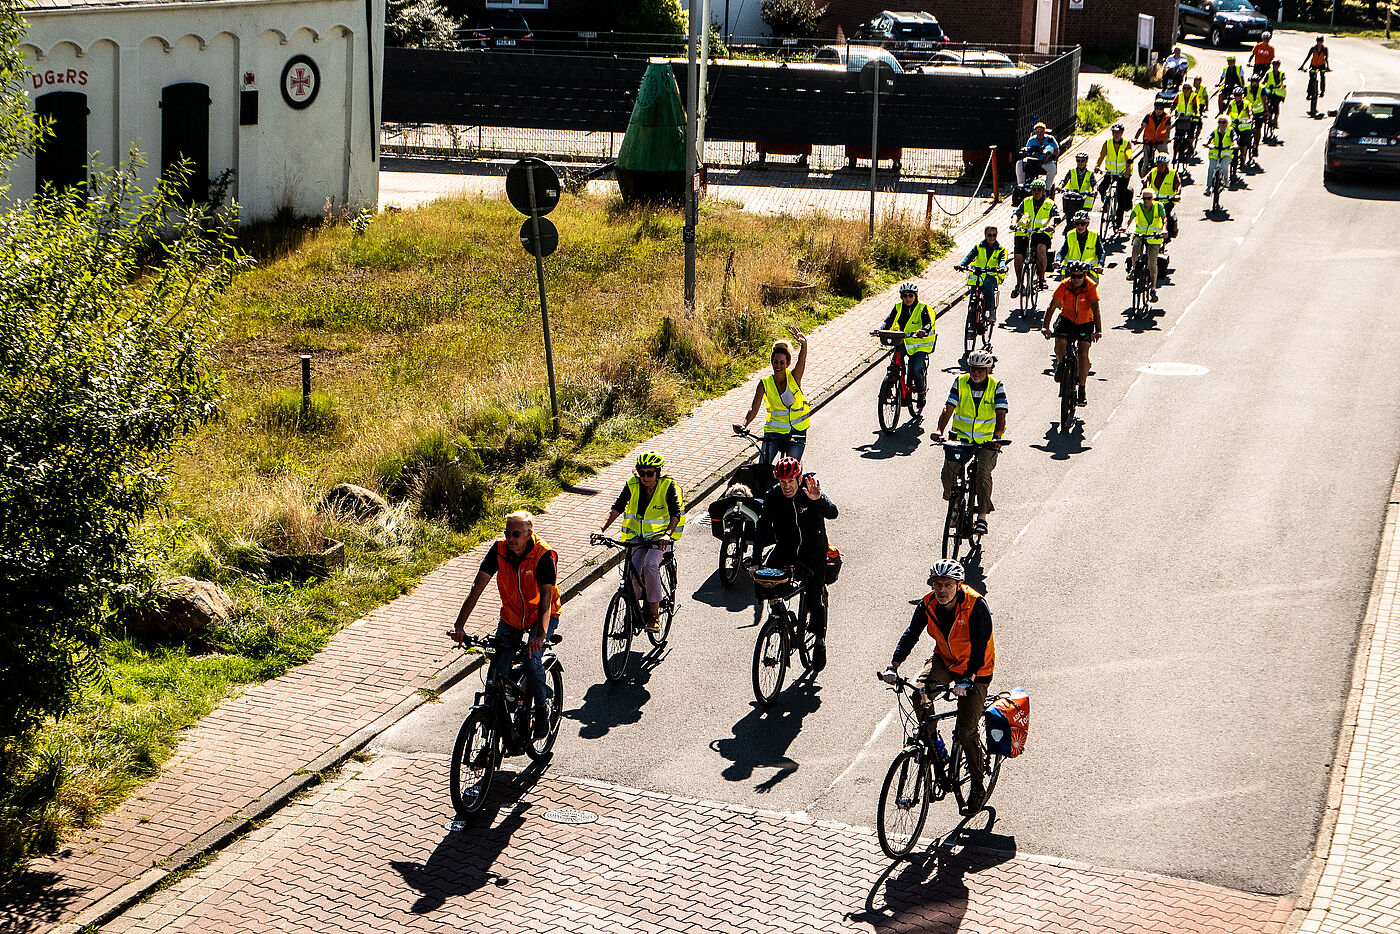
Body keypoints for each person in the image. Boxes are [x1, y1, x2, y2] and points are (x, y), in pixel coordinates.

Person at [882, 558, 997, 815]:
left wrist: (967, 679)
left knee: (966, 731)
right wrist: (894, 665)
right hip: (945, 659)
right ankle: (935, 745)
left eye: (947, 584)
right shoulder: (928, 604)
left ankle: (978, 786)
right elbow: (911, 633)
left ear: (958, 585)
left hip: (976, 670)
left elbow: (980, 646)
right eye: (937, 584)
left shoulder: (976, 605)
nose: (941, 590)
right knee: (919, 692)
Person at [451, 511, 560, 740]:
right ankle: (492, 723)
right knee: (497, 669)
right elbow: (476, 589)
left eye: (516, 534)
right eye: (507, 533)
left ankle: (541, 711)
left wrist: (539, 635)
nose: (510, 538)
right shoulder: (499, 550)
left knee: (531, 660)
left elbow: (546, 600)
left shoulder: (542, 555)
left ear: (529, 534)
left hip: (541, 615)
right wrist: (459, 625)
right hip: (511, 617)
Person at [753, 455, 838, 671]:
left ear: (799, 479)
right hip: (786, 550)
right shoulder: (773, 496)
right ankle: (779, 616)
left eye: (791, 481)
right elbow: (762, 528)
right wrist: (755, 562)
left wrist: (818, 499)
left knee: (814, 598)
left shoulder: (809, 490)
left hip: (813, 553)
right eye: (782, 483)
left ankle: (819, 641)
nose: (787, 487)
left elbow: (833, 513)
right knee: (763, 583)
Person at [597, 451, 685, 633]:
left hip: (660, 537)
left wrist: (667, 534)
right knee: (633, 571)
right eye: (642, 472)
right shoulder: (632, 484)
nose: (645, 477)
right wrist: (601, 530)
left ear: (658, 472)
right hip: (637, 536)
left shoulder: (668, 486)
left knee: (650, 565)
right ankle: (635, 611)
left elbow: (676, 513)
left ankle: (654, 616)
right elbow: (617, 507)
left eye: (650, 473)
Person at [931, 349, 1006, 534]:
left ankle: (982, 516)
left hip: (986, 442)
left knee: (982, 474)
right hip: (960, 438)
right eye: (973, 368)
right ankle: (954, 506)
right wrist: (939, 429)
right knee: (948, 472)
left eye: (981, 369)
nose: (976, 373)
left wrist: (997, 437)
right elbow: (949, 407)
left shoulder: (997, 386)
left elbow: (1001, 413)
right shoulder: (960, 382)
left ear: (988, 370)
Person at [736, 328, 810, 465]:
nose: (778, 366)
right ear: (771, 362)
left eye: (782, 362)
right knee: (762, 467)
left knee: (790, 469)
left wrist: (804, 344)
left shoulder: (794, 378)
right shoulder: (764, 383)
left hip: (796, 432)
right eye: (775, 362)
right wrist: (744, 425)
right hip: (773, 432)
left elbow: (801, 362)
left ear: (788, 364)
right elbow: (754, 408)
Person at [1042, 261, 1101, 405]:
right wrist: (1045, 327)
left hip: (1085, 322)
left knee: (1083, 350)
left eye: (1079, 276)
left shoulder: (1090, 286)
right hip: (1067, 319)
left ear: (1084, 275)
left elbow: (1096, 309)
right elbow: (1051, 306)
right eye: (1073, 276)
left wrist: (1098, 330)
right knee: (1060, 342)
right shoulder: (1064, 285)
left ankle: (1082, 388)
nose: (1076, 279)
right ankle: (1061, 364)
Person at [880, 281, 936, 410]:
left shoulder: (923, 308)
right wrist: (881, 330)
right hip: (904, 342)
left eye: (911, 295)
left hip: (921, 345)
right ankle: (888, 389)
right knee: (894, 365)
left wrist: (924, 331)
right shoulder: (898, 307)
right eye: (904, 296)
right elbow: (888, 320)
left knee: (914, 369)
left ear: (916, 295)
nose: (908, 298)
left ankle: (921, 393)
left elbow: (929, 322)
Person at [1011, 178, 1058, 298]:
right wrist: (1014, 223)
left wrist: (1050, 225)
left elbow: (1054, 217)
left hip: (1041, 233)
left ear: (1043, 191)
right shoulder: (1026, 202)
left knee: (1041, 248)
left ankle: (1042, 279)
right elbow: (1016, 214)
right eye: (1034, 190)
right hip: (1025, 233)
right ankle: (1019, 284)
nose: (1036, 192)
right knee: (1018, 256)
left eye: (1039, 190)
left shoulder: (1049, 204)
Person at [956, 226, 1009, 320]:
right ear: (985, 235)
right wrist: (961, 265)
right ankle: (972, 316)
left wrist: (1001, 267)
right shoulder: (978, 247)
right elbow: (969, 257)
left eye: (994, 235)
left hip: (993, 275)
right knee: (973, 295)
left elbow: (1002, 261)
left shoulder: (1001, 250)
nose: (992, 237)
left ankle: (991, 311)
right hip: (978, 275)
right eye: (989, 235)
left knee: (988, 285)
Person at [1126, 188, 1165, 303]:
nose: (1146, 200)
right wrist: (1125, 226)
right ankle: (1133, 269)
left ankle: (1153, 288)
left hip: (1154, 239)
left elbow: (1164, 220)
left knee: (1152, 265)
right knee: (1135, 247)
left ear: (1153, 199)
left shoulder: (1159, 206)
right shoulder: (1139, 206)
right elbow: (1130, 218)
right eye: (1144, 198)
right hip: (1141, 235)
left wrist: (1164, 230)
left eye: (1149, 198)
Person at [1094, 124, 1133, 234]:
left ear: (1122, 133)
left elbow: (1128, 155)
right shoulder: (1108, 143)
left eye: (1118, 132)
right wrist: (1097, 166)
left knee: (1120, 197)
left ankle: (1118, 223)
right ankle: (1106, 204)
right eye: (1114, 132)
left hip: (1123, 173)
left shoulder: (1126, 144)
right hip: (1110, 173)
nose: (1116, 134)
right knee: (1101, 188)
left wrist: (1128, 170)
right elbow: (1102, 155)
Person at [1055, 210, 1103, 281]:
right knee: (1065, 289)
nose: (1080, 226)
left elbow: (1101, 253)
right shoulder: (1070, 235)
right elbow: (1062, 251)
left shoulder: (1094, 236)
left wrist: (1100, 265)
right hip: (1071, 272)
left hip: (1089, 272)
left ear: (1087, 224)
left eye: (1083, 224)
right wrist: (1058, 261)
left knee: (1091, 288)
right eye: (1077, 224)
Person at [1144, 153, 1180, 243]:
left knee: (1165, 213)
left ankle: (1167, 234)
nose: (1159, 166)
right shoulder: (1153, 171)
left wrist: (1177, 194)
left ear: (1166, 164)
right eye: (1158, 164)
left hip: (1168, 200)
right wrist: (1144, 179)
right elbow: (1147, 177)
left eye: (1162, 164)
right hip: (1154, 200)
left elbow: (1178, 185)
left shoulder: (1172, 173)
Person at [1016, 121, 1061, 193]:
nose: (1039, 134)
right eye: (1037, 132)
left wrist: (1049, 155)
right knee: (1019, 163)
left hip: (1045, 162)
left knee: (1052, 167)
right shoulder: (1031, 140)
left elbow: (1056, 150)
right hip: (1033, 162)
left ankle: (1048, 189)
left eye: (1041, 132)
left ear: (1044, 131)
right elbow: (1028, 151)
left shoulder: (1050, 139)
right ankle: (1021, 185)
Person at [1135, 96, 1173, 175]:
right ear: (1154, 108)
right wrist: (1135, 138)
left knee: (1165, 158)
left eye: (1161, 109)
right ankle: (1143, 178)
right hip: (1149, 140)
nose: (1159, 111)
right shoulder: (1148, 116)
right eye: (1157, 108)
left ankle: (1167, 174)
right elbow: (1142, 127)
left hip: (1160, 141)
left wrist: (1167, 139)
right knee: (1145, 161)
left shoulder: (1167, 117)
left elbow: (1168, 128)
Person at [1204, 113, 1237, 192]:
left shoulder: (1230, 130)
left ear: (1227, 123)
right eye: (1220, 122)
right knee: (1211, 168)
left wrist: (1235, 145)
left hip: (1226, 154)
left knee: (1224, 167)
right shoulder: (1215, 131)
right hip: (1215, 153)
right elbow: (1209, 137)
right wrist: (1207, 144)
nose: (1221, 124)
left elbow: (1234, 138)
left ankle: (1226, 181)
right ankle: (1208, 187)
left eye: (1224, 122)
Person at [1059, 151, 1097, 217]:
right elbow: (1064, 181)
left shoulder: (1090, 173)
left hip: (1084, 202)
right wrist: (1059, 187)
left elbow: (1094, 184)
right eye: (1078, 160)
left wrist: (1095, 190)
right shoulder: (1071, 171)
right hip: (1072, 199)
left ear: (1086, 161)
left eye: (1082, 161)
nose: (1080, 163)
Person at [1226, 87, 1254, 167]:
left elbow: (1250, 113)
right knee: (1231, 139)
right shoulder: (1232, 103)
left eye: (1239, 95)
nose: (1237, 97)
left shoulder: (1246, 103)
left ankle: (1242, 155)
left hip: (1244, 126)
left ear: (1242, 96)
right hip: (1234, 125)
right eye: (1236, 95)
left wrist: (1250, 119)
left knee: (1243, 142)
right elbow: (1227, 113)